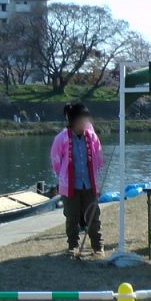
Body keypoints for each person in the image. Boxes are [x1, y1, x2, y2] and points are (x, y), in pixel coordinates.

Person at [51, 103, 104, 257]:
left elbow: (99, 157)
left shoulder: (92, 136)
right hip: (70, 186)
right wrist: (62, 177)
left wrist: (96, 171)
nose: (85, 123)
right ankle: (73, 246)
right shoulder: (61, 138)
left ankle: (98, 246)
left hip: (89, 184)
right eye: (82, 119)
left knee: (93, 216)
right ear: (73, 120)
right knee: (72, 217)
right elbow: (55, 161)